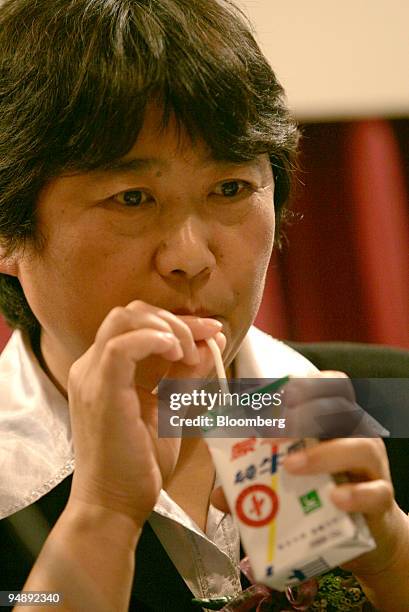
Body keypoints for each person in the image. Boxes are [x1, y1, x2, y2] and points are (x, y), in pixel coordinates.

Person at [0, 0, 408, 610]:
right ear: (9, 234)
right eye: (132, 197)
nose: (190, 256)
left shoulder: (391, 400)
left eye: (230, 189)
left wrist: (394, 560)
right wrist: (103, 516)